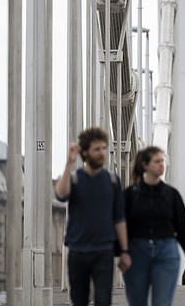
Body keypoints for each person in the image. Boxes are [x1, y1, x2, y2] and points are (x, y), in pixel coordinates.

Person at [54, 127, 130, 306]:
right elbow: (60, 195)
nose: (102, 153)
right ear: (85, 152)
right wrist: (69, 163)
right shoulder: (74, 179)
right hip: (77, 251)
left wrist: (125, 251)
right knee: (79, 300)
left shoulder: (112, 181)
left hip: (104, 251)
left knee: (103, 300)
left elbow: (120, 218)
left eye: (104, 148)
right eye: (97, 149)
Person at [123, 146, 185, 306]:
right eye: (157, 161)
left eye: (162, 161)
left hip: (166, 253)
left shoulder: (172, 195)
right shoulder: (130, 194)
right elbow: (120, 225)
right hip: (136, 254)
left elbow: (183, 228)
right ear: (145, 165)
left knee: (162, 303)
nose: (162, 165)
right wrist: (122, 252)